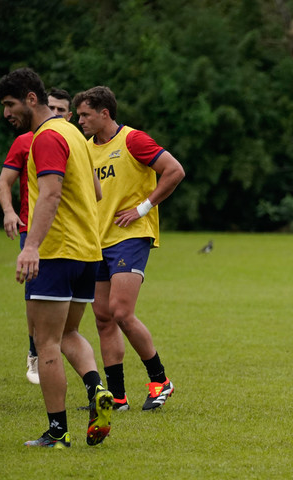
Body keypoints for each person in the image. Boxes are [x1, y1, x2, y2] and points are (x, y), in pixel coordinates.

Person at [0, 68, 114, 448]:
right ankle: (98, 388)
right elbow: (96, 191)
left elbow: (48, 195)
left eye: (10, 104)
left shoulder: (46, 137)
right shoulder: (74, 134)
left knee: (45, 341)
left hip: (56, 251)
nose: (6, 113)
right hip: (87, 251)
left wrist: (31, 247)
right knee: (68, 333)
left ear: (32, 98)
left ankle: (58, 431)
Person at [73, 86, 185, 411]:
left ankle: (160, 380)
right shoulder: (83, 148)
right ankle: (118, 397)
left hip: (131, 235)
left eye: (85, 115)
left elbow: (175, 170)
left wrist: (143, 208)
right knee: (103, 318)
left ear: (104, 113)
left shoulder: (133, 140)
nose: (80, 121)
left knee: (121, 312)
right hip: (97, 240)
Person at [0, 87, 76, 385]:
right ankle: (36, 354)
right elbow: (4, 182)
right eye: (51, 108)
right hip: (34, 232)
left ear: (68, 116)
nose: (55, 114)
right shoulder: (25, 141)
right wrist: (8, 211)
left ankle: (74, 373)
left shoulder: (72, 141)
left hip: (71, 235)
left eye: (61, 111)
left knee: (69, 316)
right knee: (35, 299)